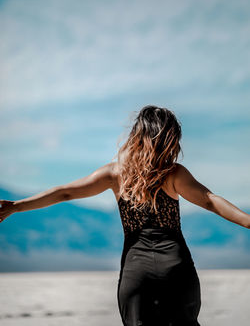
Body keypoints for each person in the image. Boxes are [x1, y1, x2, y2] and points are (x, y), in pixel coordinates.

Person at [0, 104, 249, 326]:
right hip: (176, 268)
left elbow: (65, 193)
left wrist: (16, 206)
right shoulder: (173, 174)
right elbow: (209, 201)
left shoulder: (115, 173)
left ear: (137, 135)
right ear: (169, 139)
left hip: (136, 272)